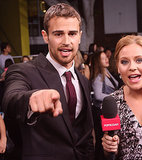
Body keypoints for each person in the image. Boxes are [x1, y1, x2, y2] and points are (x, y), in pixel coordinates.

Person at [2, 3, 94, 160]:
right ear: (46, 36)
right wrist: (30, 99)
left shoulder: (83, 81)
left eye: (72, 34)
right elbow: (10, 99)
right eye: (58, 34)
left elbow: (83, 134)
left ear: (80, 35)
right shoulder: (23, 71)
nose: (66, 41)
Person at [102, 35, 142, 159]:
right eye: (124, 62)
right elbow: (111, 153)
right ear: (118, 67)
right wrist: (109, 148)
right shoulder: (113, 102)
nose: (132, 67)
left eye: (139, 60)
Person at [90, 51, 119, 160]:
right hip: (100, 113)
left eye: (106, 57)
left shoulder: (107, 71)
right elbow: (97, 95)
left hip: (107, 111)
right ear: (98, 61)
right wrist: (114, 97)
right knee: (102, 140)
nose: (107, 59)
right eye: (103, 58)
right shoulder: (98, 76)